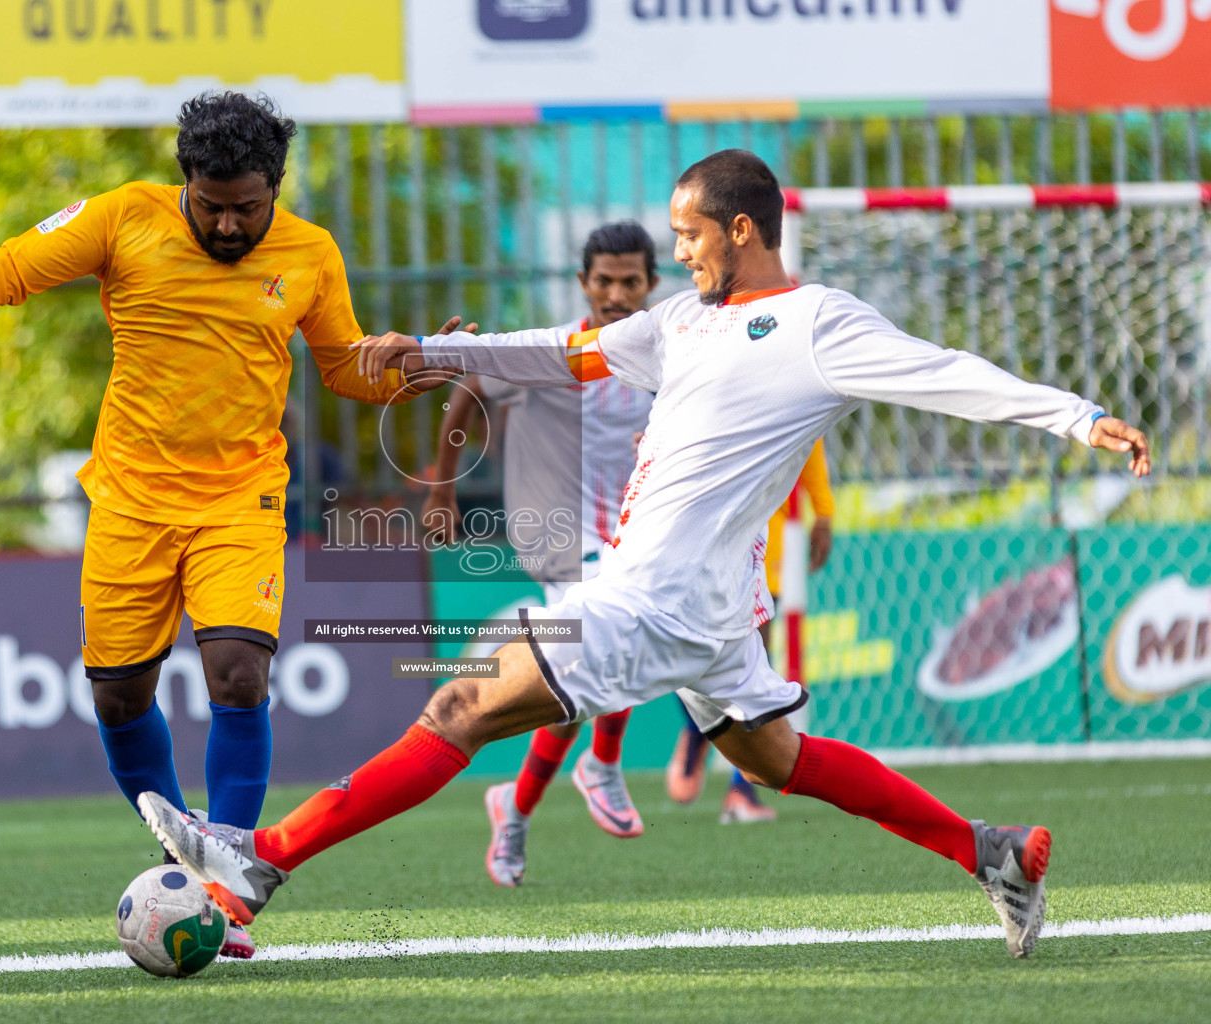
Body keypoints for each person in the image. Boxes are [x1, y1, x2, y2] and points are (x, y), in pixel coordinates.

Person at [141, 149, 1152, 961]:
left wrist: (1080, 417)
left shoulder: (817, 324)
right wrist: (433, 354)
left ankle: (262, 858)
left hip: (655, 596)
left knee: (460, 706)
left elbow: (945, 374)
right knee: (777, 756)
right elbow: (558, 351)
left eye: (690, 235)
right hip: (710, 609)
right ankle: (992, 852)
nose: (680, 253)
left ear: (741, 229)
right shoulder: (676, 323)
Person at [0, 91, 453, 959]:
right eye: (212, 206)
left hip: (240, 498)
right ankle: (180, 850)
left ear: (275, 189)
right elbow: (19, 265)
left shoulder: (310, 253)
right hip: (131, 501)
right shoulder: (123, 219)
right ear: (186, 180)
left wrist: (414, 369)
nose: (227, 226)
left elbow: (344, 370)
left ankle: (227, 888)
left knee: (238, 675)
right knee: (118, 695)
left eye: (246, 208)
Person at [422, 222, 660, 886]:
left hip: (638, 535)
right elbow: (469, 384)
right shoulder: (556, 352)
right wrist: (442, 488)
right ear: (584, 283)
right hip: (565, 541)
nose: (616, 293)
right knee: (615, 636)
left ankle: (515, 808)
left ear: (651, 285)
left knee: (580, 682)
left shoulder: (668, 354)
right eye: (604, 281)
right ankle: (603, 766)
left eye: (630, 281)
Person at [667, 438, 835, 823]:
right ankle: (697, 730)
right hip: (695, 537)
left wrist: (823, 512)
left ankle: (741, 791)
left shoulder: (786, 381)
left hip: (760, 541)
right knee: (683, 655)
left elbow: (810, 436)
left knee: (753, 662)